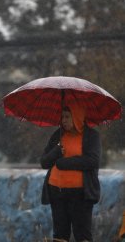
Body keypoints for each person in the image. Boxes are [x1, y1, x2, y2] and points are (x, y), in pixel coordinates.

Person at [40, 104, 101, 242]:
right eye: (62, 117)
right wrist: (55, 152)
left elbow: (92, 161)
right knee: (60, 235)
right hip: (57, 192)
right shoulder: (58, 135)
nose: (63, 120)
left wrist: (64, 163)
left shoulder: (91, 136)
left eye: (67, 117)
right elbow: (44, 162)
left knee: (82, 234)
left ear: (78, 117)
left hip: (80, 194)